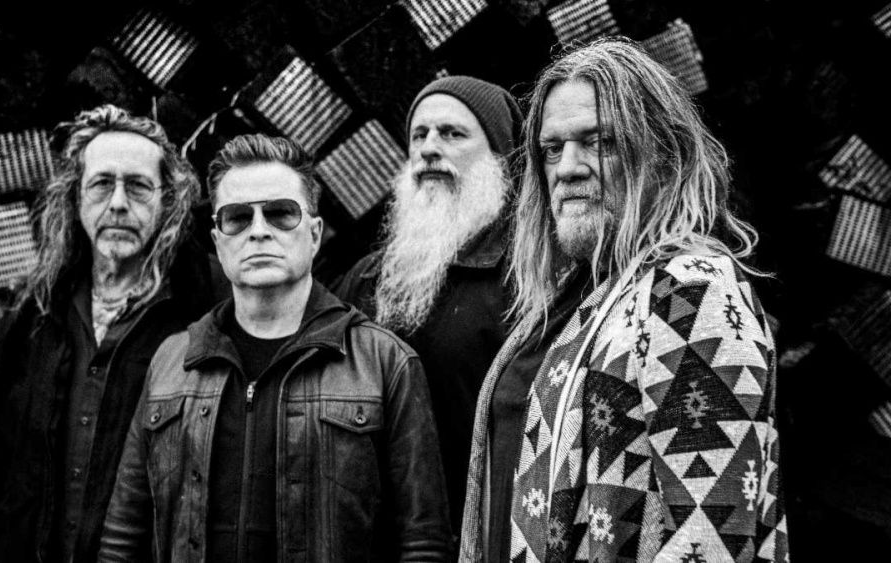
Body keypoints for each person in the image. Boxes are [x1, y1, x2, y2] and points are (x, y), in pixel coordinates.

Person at [459, 38, 788, 562]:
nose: (568, 168)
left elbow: (714, 535)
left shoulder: (691, 287)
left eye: (601, 142)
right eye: (552, 148)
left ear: (663, 154)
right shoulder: (574, 298)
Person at [100, 134, 451, 562]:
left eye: (281, 213)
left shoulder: (384, 363)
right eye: (237, 217)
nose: (259, 231)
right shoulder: (173, 361)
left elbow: (423, 542)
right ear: (218, 241)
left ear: (315, 234)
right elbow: (124, 535)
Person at [0, 105, 223, 562]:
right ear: (76, 198)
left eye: (138, 186)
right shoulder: (36, 308)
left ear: (167, 202)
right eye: (101, 184)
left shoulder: (203, 312)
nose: (118, 203)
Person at [335, 75, 523, 538]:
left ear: (500, 157)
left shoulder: (529, 276)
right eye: (419, 135)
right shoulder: (365, 278)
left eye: (452, 134)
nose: (429, 149)